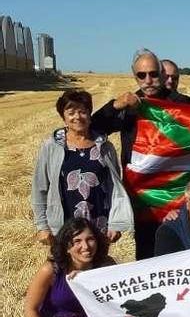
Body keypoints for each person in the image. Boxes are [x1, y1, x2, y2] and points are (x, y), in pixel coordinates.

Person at [90, 48, 190, 259]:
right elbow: (94, 128)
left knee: (184, 256)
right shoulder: (128, 106)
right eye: (142, 75)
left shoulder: (185, 105)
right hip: (143, 200)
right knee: (148, 256)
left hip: (177, 195)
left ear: (161, 73)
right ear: (135, 77)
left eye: (153, 74)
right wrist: (115, 105)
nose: (148, 80)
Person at [31, 90, 133, 246]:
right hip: (63, 227)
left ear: (90, 114)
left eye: (82, 112)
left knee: (98, 269)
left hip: (99, 226)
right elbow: (40, 188)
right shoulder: (52, 147)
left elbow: (114, 188)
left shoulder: (105, 147)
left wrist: (115, 223)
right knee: (63, 269)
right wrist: (42, 226)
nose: (77, 117)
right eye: (71, 112)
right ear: (63, 117)